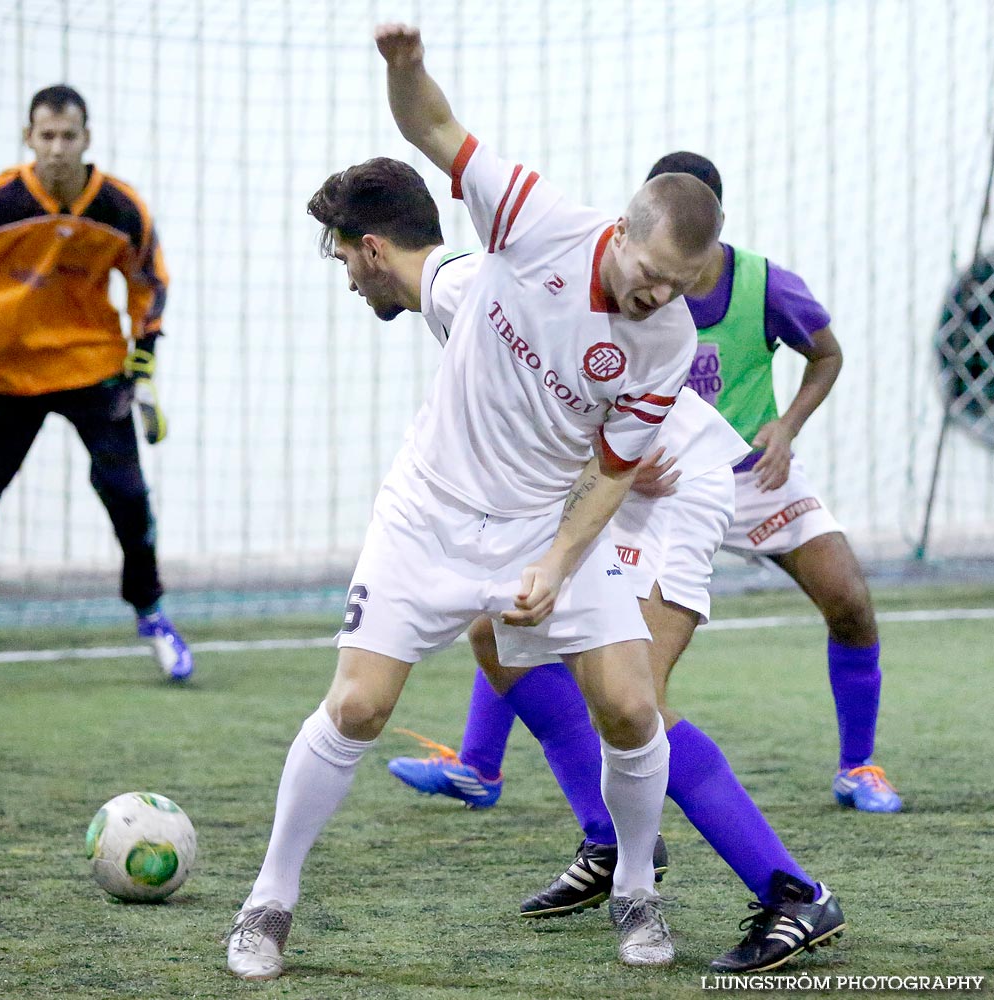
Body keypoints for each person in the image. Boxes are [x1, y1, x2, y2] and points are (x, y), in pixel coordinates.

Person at [223, 22, 724, 979]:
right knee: (360, 707)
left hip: (543, 523)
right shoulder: (532, 219)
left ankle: (635, 889)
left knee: (628, 704)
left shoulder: (665, 343)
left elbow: (615, 469)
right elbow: (438, 129)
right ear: (618, 232)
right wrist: (404, 68)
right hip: (428, 514)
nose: (658, 297)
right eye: (649, 274)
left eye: (681, 286)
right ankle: (267, 903)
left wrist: (556, 563)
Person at [356, 170, 846, 973]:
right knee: (493, 630)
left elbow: (610, 413)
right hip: (611, 483)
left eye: (342, 257)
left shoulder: (468, 285)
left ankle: (794, 894)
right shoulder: (483, 292)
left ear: (373, 251)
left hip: (671, 481)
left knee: (635, 700)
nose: (344, 278)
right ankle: (614, 840)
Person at [391, 152, 901, 819]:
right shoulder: (614, 284)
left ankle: (857, 766)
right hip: (645, 487)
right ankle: (483, 766)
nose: (662, 285)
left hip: (749, 474)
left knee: (849, 600)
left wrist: (788, 426)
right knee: (532, 612)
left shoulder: (762, 284)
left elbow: (827, 352)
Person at [0, 84, 192, 685]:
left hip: (92, 371)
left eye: (68, 136)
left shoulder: (119, 209)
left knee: (128, 496)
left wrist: (145, 359)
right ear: (29, 138)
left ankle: (151, 612)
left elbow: (149, 282)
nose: (57, 148)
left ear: (86, 138)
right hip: (0, 377)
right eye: (46, 136)